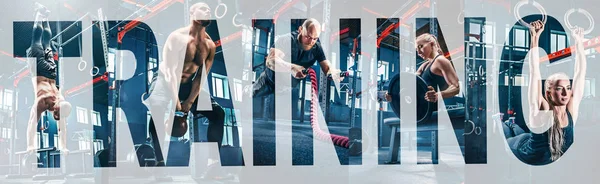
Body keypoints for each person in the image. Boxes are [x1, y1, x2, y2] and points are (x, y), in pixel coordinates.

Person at [144, 2, 227, 178]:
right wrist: (176, 103)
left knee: (218, 114)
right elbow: (170, 72)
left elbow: (200, 77)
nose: (208, 10)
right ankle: (159, 163)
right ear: (192, 12)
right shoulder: (176, 37)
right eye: (203, 8)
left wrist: (189, 101)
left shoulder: (210, 46)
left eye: (209, 9)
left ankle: (213, 165)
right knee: (157, 107)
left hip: (188, 84)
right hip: (164, 79)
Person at [505, 20, 585, 165]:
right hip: (522, 151)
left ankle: (511, 126)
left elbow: (580, 73)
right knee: (507, 138)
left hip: (533, 143)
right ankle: (507, 126)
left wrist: (579, 41)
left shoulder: (571, 111)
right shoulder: (543, 109)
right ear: (548, 94)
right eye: (559, 89)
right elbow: (533, 72)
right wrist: (534, 37)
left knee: (520, 132)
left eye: (568, 88)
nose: (566, 94)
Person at [253, 18, 344, 98]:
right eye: (307, 36)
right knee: (250, 94)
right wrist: (292, 68)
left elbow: (327, 67)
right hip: (269, 82)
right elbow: (270, 61)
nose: (311, 41)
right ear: (300, 29)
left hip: (288, 87)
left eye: (315, 38)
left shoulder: (317, 48)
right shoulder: (287, 40)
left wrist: (334, 72)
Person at [26, 2, 71, 153]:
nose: (56, 116)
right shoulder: (43, 101)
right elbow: (32, 122)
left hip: (51, 72)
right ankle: (40, 14)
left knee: (47, 44)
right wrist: (30, 145)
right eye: (57, 114)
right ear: (58, 108)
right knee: (37, 41)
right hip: (39, 71)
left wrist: (64, 147)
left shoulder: (61, 102)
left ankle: (45, 18)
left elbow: (62, 130)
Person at [383, 33, 460, 110]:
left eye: (421, 47)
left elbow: (456, 88)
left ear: (431, 44)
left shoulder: (441, 61)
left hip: (433, 114)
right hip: (420, 112)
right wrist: (393, 94)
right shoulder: (424, 65)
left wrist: (437, 95)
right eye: (417, 49)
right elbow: (409, 85)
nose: (419, 53)